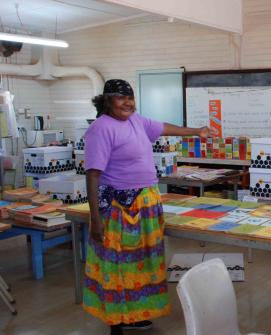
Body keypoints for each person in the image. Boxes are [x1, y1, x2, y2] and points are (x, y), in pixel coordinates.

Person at [83, 79, 208, 335]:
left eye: (130, 97)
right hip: (120, 208)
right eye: (121, 97)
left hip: (146, 204)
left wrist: (197, 130)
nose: (127, 102)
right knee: (118, 264)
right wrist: (95, 219)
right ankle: (116, 322)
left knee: (141, 262)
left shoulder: (136, 120)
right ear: (107, 100)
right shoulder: (101, 128)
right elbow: (93, 175)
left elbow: (164, 128)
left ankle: (135, 314)